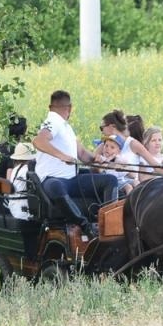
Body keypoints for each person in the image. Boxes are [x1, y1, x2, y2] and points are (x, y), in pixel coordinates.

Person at [31, 90, 117, 236]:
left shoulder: (66, 127)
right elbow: (38, 141)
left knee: (110, 180)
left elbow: (82, 154)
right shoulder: (53, 121)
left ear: (50, 106)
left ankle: (108, 224)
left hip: (72, 179)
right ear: (69, 108)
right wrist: (62, 156)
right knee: (56, 186)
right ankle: (86, 226)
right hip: (53, 180)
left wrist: (96, 159)